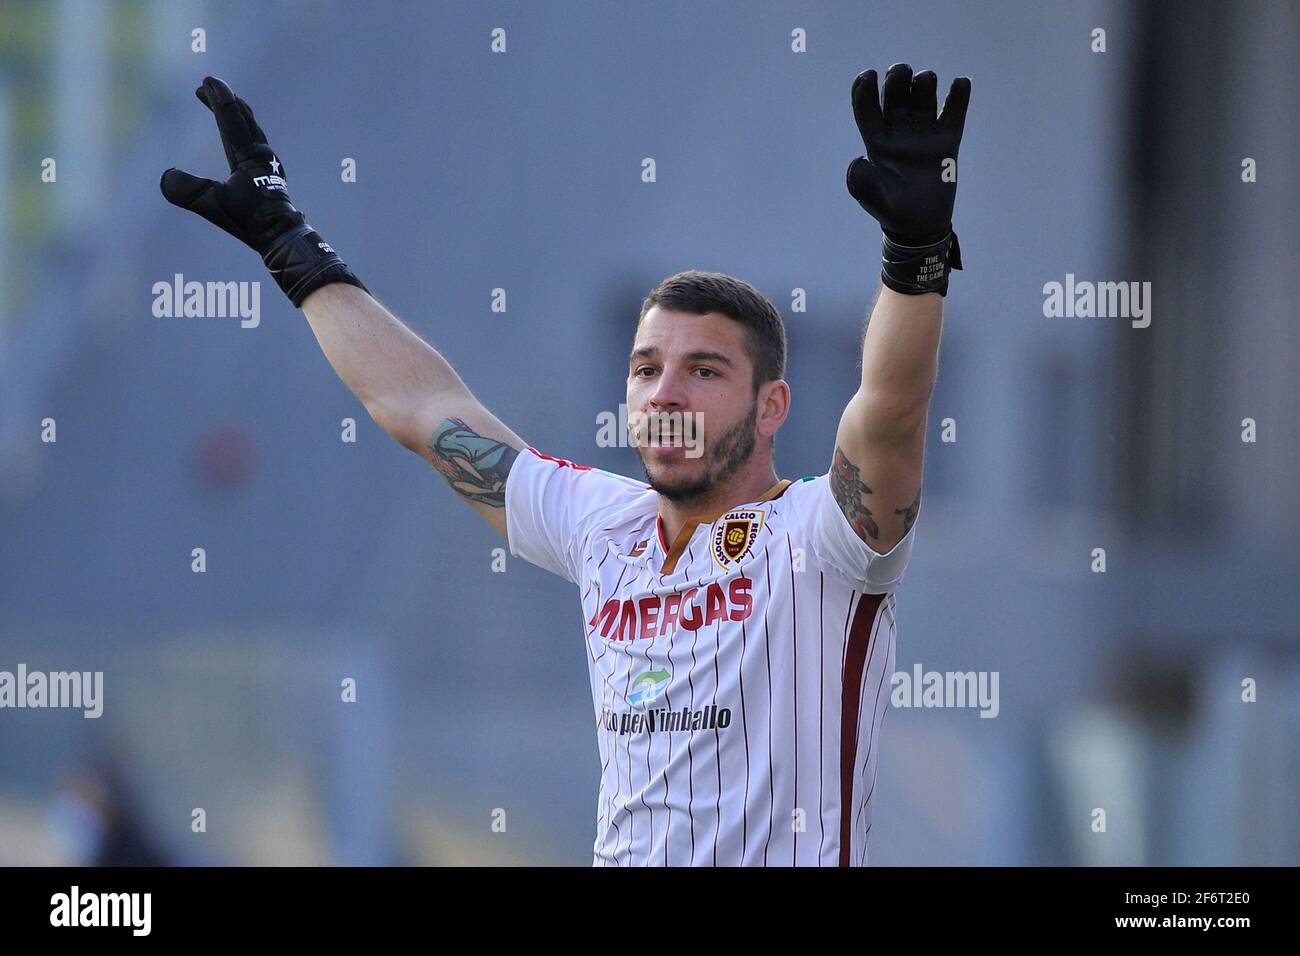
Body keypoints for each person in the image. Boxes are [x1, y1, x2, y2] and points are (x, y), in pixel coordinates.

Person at [161, 63, 970, 866]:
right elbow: (419, 408)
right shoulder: (602, 523)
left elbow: (891, 413)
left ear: (772, 408)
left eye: (705, 370)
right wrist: (290, 246)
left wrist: (915, 256)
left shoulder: (826, 539)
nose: (665, 392)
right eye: (646, 368)